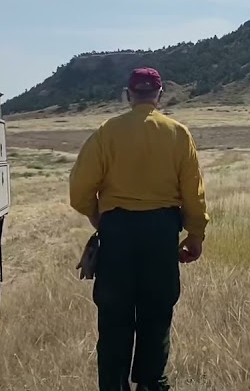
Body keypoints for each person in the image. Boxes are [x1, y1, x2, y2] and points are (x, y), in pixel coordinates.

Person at [68, 67, 209, 391]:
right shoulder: (178, 134)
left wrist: (99, 217)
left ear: (128, 94)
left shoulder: (107, 132)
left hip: (117, 233)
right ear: (159, 94)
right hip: (161, 233)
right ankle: (151, 383)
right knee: (156, 315)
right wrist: (195, 234)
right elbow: (193, 193)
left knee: (114, 318)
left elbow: (79, 190)